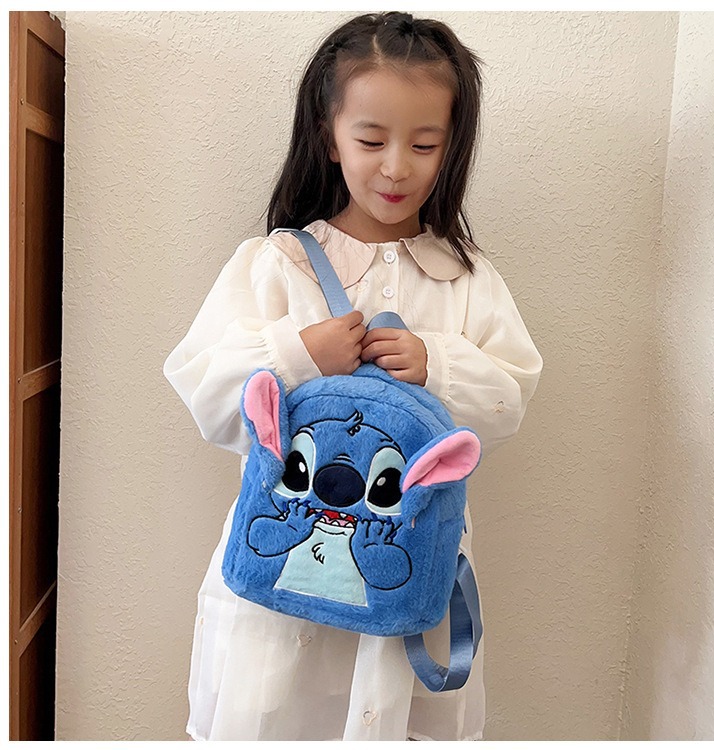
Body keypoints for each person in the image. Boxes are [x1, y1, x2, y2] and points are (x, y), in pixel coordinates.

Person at [164, 11, 543, 741]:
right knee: (278, 715)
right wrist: (296, 353)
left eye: (424, 144)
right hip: (282, 573)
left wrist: (439, 366)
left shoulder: (467, 279)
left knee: (391, 713)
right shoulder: (277, 265)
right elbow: (208, 395)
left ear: (451, 147)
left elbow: (508, 400)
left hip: (407, 564)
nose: (396, 167)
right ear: (328, 136)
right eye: (371, 140)